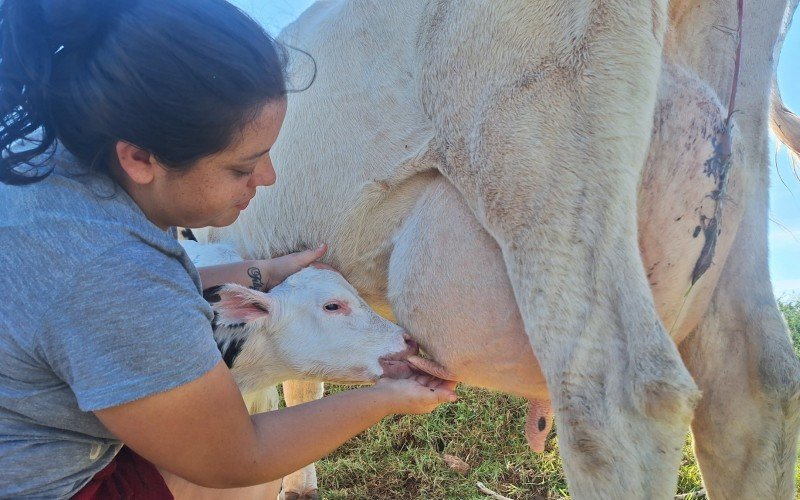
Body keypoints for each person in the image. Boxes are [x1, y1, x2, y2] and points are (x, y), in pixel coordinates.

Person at [0, 0, 457, 498]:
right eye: (243, 167)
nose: (268, 178)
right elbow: (238, 456)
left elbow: (113, 305)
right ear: (139, 157)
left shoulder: (50, 167)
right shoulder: (112, 271)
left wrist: (262, 272)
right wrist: (388, 398)